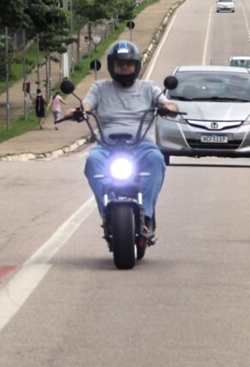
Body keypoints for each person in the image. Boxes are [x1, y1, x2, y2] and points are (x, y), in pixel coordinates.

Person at [62, 41, 178, 233]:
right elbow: (87, 105)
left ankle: (146, 215)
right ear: (112, 66)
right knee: (92, 161)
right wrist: (78, 112)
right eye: (120, 64)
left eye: (129, 64)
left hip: (142, 146)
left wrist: (168, 108)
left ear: (136, 65)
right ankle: (106, 211)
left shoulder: (149, 87)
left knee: (157, 160)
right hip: (107, 147)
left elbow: (171, 105)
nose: (125, 68)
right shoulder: (100, 88)